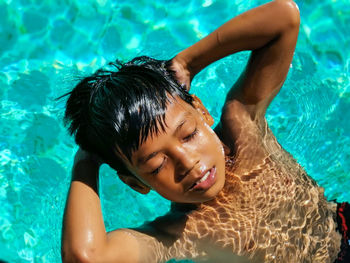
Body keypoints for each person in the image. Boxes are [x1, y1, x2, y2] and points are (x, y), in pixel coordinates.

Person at [60, 0, 350, 262]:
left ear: (201, 110)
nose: (188, 162)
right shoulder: (179, 233)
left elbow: (284, 18)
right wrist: (86, 159)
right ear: (136, 183)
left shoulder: (244, 128)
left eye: (188, 135)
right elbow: (88, 258)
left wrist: (187, 63)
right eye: (157, 164)